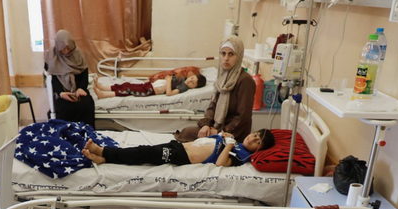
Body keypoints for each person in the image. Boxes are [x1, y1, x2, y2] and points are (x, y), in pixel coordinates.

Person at [176, 36, 255, 142]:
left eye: (231, 54)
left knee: (187, 134)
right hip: (217, 127)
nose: (226, 58)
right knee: (187, 132)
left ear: (239, 56)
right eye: (223, 53)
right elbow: (212, 106)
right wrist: (206, 125)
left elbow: (243, 117)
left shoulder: (245, 80)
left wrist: (220, 132)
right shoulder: (222, 76)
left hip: (232, 134)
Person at [81, 128, 274, 167]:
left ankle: (103, 152)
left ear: (259, 150)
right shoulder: (236, 142)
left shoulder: (242, 156)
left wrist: (228, 144)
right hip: (179, 146)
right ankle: (105, 158)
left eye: (258, 141)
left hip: (181, 156)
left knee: (142, 153)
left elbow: (221, 164)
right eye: (255, 134)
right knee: (143, 150)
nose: (252, 138)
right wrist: (220, 134)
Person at [44, 29, 95, 127]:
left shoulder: (77, 54)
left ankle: (86, 133)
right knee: (64, 108)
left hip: (78, 90)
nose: (67, 51)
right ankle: (66, 133)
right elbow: (52, 79)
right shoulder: (51, 57)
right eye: (63, 48)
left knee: (87, 105)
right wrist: (61, 93)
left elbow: (84, 72)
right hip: (61, 92)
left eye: (69, 48)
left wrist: (81, 88)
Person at [93, 71, 207, 99]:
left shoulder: (184, 87)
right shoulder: (183, 79)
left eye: (193, 83)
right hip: (150, 85)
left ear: (194, 87)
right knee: (127, 84)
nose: (190, 81)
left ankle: (104, 95)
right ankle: (103, 87)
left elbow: (169, 93)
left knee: (128, 89)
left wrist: (168, 80)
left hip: (150, 90)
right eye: (192, 78)